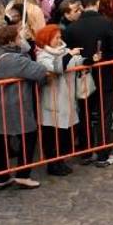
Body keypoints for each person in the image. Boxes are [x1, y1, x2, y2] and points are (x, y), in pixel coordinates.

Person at [0, 24, 50, 190]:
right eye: (19, 38)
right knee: (29, 136)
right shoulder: (14, 60)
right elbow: (40, 71)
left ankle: (2, 177)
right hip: (14, 104)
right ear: (12, 42)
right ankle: (23, 175)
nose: (21, 40)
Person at [63, 0, 113, 167]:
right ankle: (103, 153)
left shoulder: (72, 28)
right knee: (104, 114)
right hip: (104, 75)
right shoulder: (106, 23)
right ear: (96, 4)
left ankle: (86, 151)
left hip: (82, 76)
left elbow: (70, 53)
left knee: (85, 112)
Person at [34, 24, 83, 176]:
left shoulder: (64, 50)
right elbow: (57, 68)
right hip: (52, 100)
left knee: (64, 134)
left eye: (60, 37)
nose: (59, 40)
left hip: (66, 98)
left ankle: (60, 161)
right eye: (56, 37)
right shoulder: (42, 56)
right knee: (51, 135)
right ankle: (53, 164)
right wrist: (69, 56)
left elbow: (76, 62)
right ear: (48, 39)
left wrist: (89, 59)